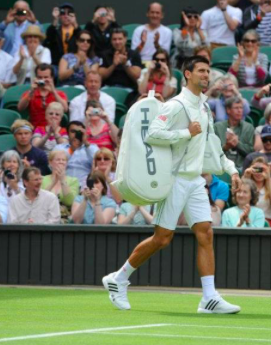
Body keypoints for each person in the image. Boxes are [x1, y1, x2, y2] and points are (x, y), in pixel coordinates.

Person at [102, 56, 242, 314]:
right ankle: (118, 278)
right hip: (174, 179)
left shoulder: (204, 107)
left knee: (205, 232)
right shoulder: (176, 105)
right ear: (187, 74)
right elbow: (153, 133)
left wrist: (232, 170)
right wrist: (186, 133)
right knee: (162, 238)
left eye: (208, 71)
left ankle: (209, 298)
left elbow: (211, 144)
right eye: (200, 70)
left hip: (195, 180)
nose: (206, 75)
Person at [214, 96, 255, 169]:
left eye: (241, 108)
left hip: (241, 166)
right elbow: (213, 151)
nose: (240, 111)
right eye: (236, 108)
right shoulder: (217, 127)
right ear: (228, 110)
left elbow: (251, 153)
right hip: (221, 165)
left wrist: (237, 144)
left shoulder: (248, 128)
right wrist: (226, 147)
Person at [98, 28, 142, 96]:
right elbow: (100, 76)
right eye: (114, 39)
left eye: (120, 39)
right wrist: (114, 65)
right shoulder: (105, 54)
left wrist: (125, 64)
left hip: (128, 90)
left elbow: (137, 77)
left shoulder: (134, 54)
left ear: (125, 39)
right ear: (111, 41)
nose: (117, 42)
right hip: (108, 88)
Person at [42, 150, 80, 219]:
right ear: (50, 162)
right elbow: (40, 200)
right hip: (45, 216)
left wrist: (62, 180)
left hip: (65, 218)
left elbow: (70, 202)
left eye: (64, 160)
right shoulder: (42, 179)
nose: (61, 162)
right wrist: (53, 182)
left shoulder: (73, 180)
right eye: (58, 160)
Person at [243, 156, 271, 225]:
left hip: (266, 222)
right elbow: (240, 199)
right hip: (248, 220)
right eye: (256, 169)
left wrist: (268, 177)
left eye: (262, 170)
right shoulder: (246, 184)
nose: (259, 173)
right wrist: (246, 176)